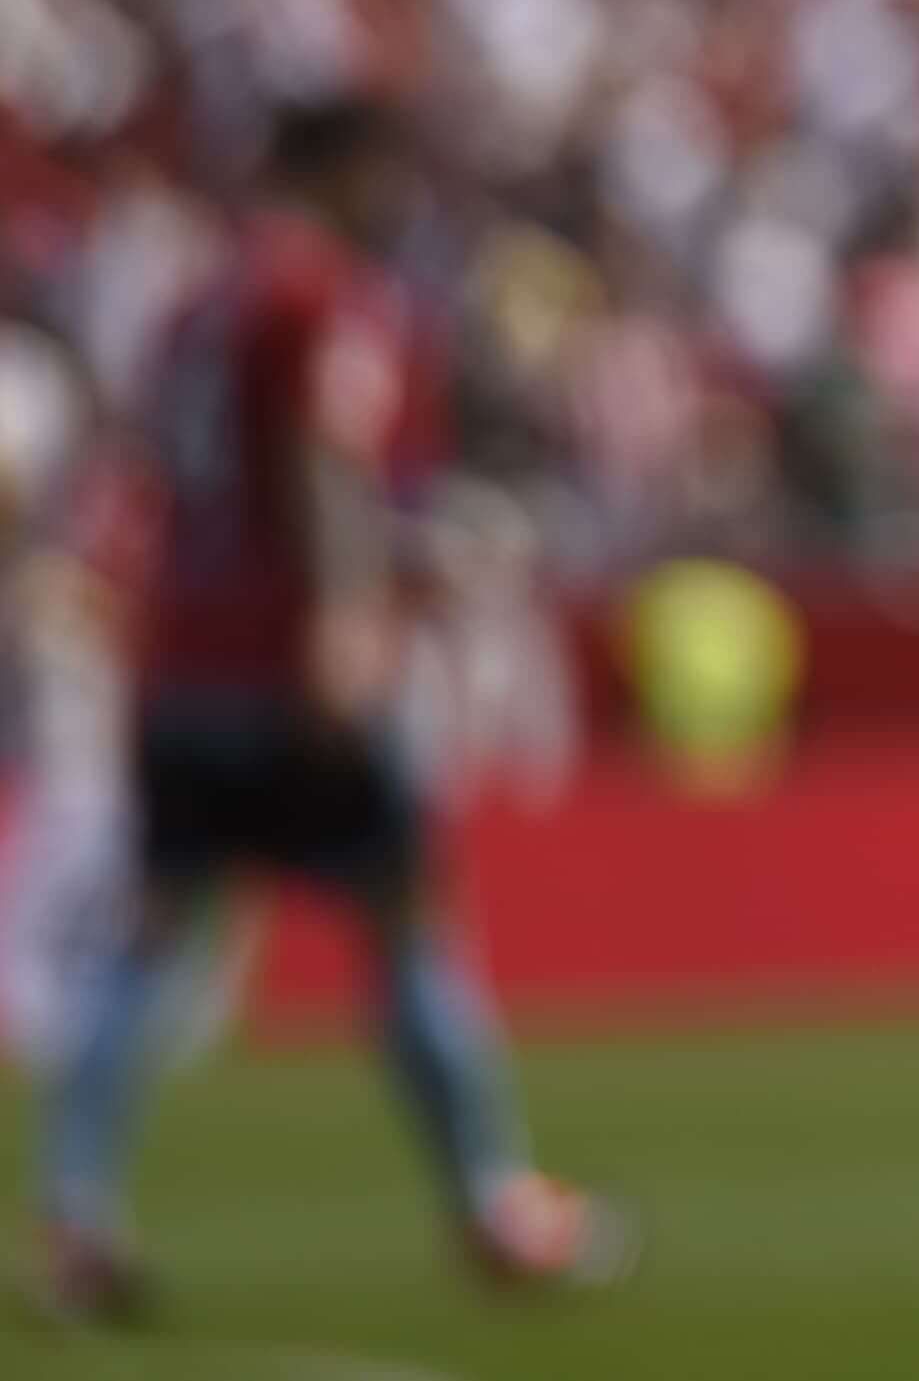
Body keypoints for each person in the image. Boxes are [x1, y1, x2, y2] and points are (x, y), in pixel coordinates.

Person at [32, 97, 620, 1319]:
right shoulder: (319, 294)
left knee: (149, 944)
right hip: (286, 658)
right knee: (410, 926)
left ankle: (74, 1213)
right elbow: (325, 458)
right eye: (381, 170)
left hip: (180, 666)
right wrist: (350, 615)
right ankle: (495, 1203)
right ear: (339, 165)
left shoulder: (199, 301)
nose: (391, 198)